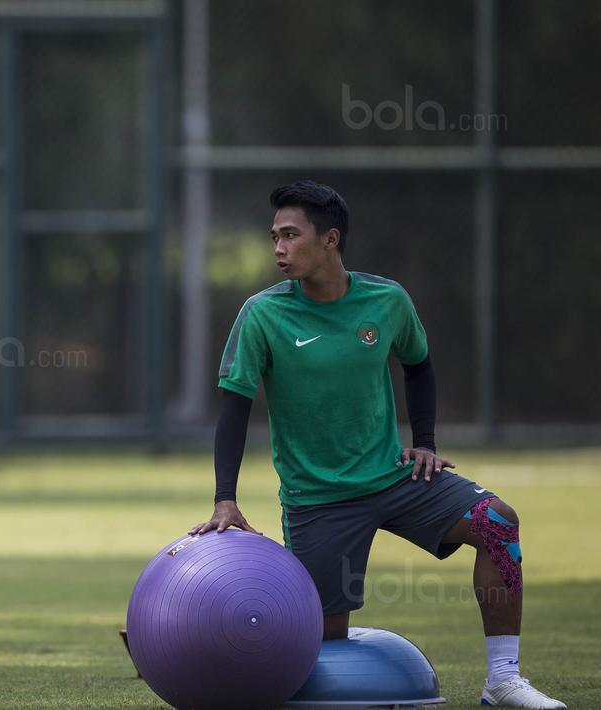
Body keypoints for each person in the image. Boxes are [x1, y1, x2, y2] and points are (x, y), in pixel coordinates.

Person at [188, 180, 565, 709]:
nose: (278, 248)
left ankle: (503, 681)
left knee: (497, 523)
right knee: (324, 643)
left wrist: (425, 442)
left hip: (394, 477)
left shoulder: (387, 300)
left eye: (290, 235)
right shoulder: (262, 315)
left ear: (330, 239)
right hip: (318, 500)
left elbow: (419, 364)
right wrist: (224, 498)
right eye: (274, 236)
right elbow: (233, 410)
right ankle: (196, 648)